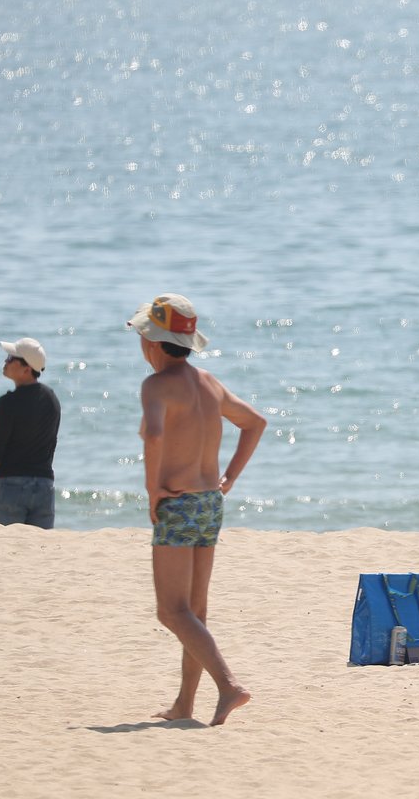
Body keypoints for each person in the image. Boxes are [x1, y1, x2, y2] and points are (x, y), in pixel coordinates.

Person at [127, 293, 266, 726]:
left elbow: (152, 435)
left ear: (152, 343)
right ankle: (185, 705)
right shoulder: (209, 383)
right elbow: (255, 422)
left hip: (179, 502)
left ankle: (228, 686)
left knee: (171, 611)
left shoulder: (155, 386)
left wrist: (153, 491)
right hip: (209, 502)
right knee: (194, 612)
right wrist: (229, 478)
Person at [0, 337, 61, 528]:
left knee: (5, 550)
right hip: (44, 486)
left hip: (11, 487)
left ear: (27, 369)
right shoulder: (52, 399)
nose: (6, 361)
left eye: (11, 358)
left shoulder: (9, 403)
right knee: (40, 551)